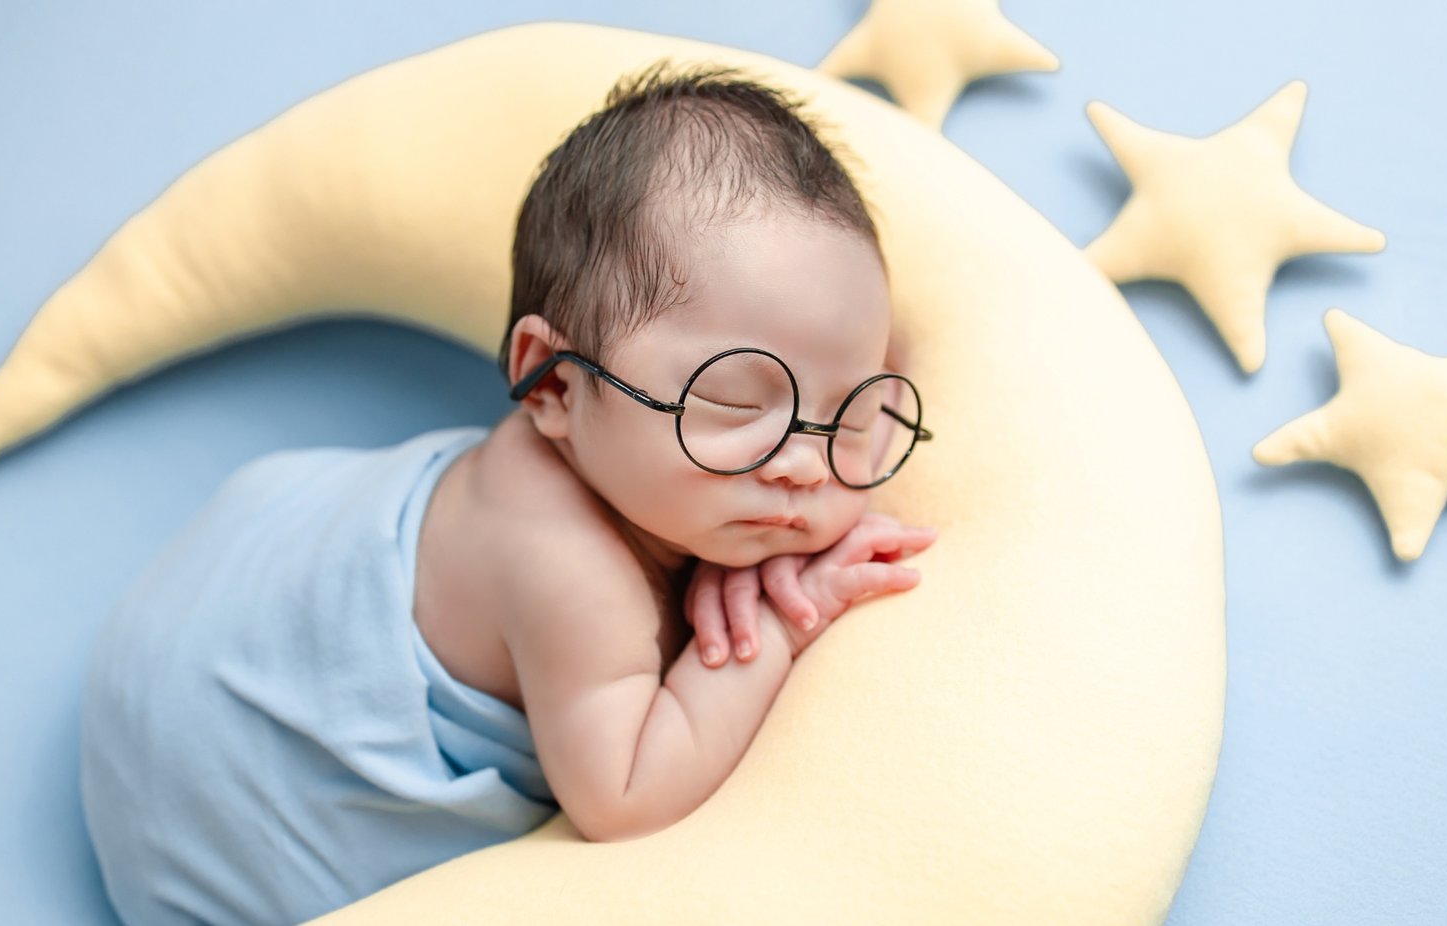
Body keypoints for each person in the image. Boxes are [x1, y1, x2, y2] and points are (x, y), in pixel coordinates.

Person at [80, 62, 936, 926]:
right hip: (224, 777)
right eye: (734, 403)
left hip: (226, 585)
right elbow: (627, 795)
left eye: (851, 413)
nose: (802, 462)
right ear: (552, 386)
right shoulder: (564, 563)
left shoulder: (655, 486)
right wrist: (782, 629)